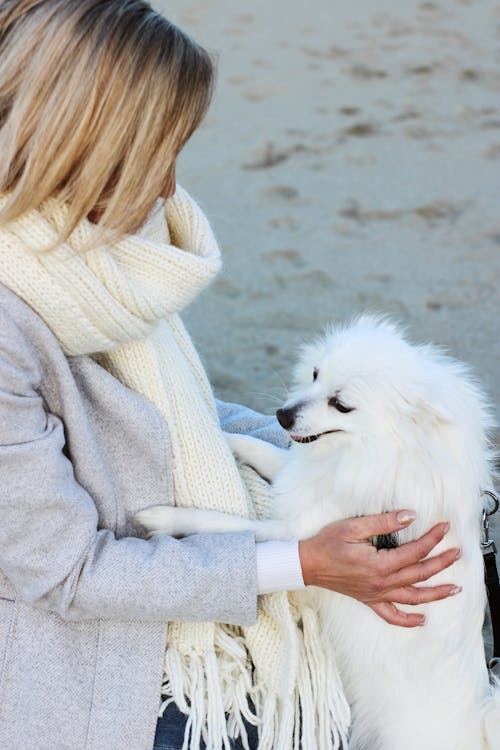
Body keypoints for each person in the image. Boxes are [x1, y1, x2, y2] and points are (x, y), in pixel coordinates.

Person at [0, 2, 461, 749]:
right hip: (104, 675)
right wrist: (306, 563)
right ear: (86, 146)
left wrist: (366, 457)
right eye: (158, 154)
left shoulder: (91, 257)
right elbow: (68, 574)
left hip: (189, 582)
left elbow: (176, 425)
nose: (168, 188)